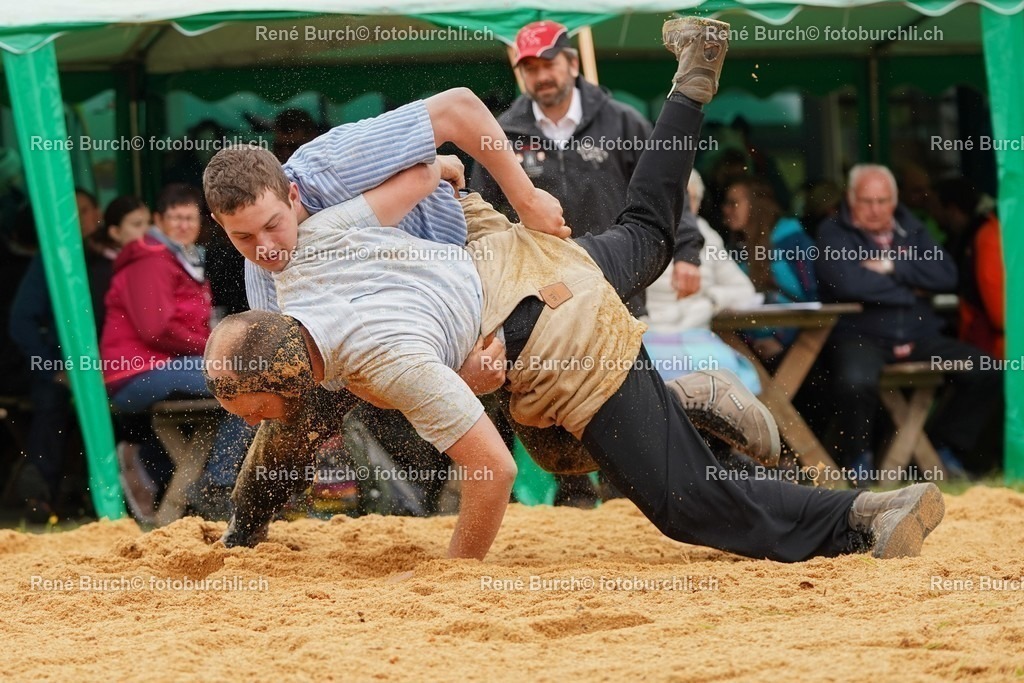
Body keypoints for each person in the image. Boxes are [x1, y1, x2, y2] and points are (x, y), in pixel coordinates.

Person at [203, 19, 944, 564]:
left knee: (677, 497)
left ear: (290, 185)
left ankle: (861, 512)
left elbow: (482, 468)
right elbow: (418, 186)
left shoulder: (333, 198)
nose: (266, 247)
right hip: (512, 266)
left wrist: (515, 197)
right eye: (243, 241)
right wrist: (445, 180)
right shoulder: (292, 267)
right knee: (645, 247)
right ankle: (690, 85)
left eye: (272, 224)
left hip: (529, 305)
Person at [471, 20, 705, 504]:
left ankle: (627, 494)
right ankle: (572, 493)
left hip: (613, 278)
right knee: (546, 400)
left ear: (573, 64)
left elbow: (664, 191)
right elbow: (482, 215)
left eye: (550, 63)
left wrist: (687, 250)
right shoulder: (501, 135)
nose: (541, 76)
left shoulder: (623, 122)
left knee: (619, 392)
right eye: (529, 68)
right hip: (534, 300)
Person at [814, 164, 1001, 477]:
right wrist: (911, 290)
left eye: (883, 201)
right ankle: (859, 460)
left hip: (919, 335)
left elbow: (946, 274)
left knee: (987, 370)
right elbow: (849, 283)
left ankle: (944, 446)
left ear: (895, 199)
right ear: (850, 198)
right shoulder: (833, 231)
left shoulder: (910, 227)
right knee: (854, 382)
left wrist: (891, 266)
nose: (875, 210)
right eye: (866, 201)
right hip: (863, 336)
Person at [100, 183, 254, 521]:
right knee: (246, 382)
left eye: (190, 218)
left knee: (247, 381)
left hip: (160, 368)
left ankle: (213, 484)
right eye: (175, 218)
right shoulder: (151, 259)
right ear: (158, 220)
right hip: (135, 373)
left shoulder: (181, 258)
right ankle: (218, 484)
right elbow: (156, 329)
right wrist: (215, 348)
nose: (184, 225)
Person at [7, 189, 108, 519]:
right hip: (53, 364)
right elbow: (21, 321)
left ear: (97, 215)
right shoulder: (49, 261)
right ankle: (39, 493)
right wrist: (53, 367)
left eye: (84, 210)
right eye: (70, 211)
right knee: (51, 401)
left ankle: (99, 492)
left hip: (110, 363)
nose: (78, 219)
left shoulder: (111, 259)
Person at [643, 169, 760, 392]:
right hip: (650, 334)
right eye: (679, 196)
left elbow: (745, 290)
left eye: (691, 198)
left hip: (696, 337)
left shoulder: (708, 237)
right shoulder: (639, 233)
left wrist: (711, 298)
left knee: (728, 380)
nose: (683, 205)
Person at [721, 175, 818, 365]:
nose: (726, 210)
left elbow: (812, 299)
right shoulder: (731, 250)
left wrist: (781, 339)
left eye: (733, 203)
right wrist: (751, 342)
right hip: (748, 348)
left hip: (797, 346)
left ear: (756, 205)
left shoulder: (793, 241)